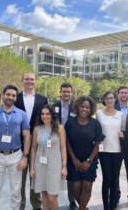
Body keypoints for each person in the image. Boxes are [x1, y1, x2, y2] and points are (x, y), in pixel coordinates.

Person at [0, 85, 31, 209]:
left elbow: (27, 137)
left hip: (16, 155)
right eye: (8, 94)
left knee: (16, 190)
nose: (10, 97)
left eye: (13, 95)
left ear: (16, 98)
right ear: (3, 95)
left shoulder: (22, 114)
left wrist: (25, 157)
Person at [14, 72, 48, 210]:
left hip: (37, 145)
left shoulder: (43, 99)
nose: (29, 81)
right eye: (27, 79)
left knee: (36, 177)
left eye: (32, 79)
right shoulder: (15, 99)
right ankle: (20, 206)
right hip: (18, 144)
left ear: (35, 81)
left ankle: (36, 205)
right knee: (19, 179)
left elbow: (46, 120)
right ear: (22, 81)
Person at [65, 96, 105, 210]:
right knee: (76, 189)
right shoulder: (70, 122)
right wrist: (74, 159)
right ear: (77, 107)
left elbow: (97, 143)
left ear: (91, 109)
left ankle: (81, 208)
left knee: (87, 188)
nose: (85, 109)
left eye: (88, 107)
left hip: (89, 160)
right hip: (74, 161)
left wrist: (89, 161)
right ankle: (83, 208)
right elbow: (67, 142)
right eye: (82, 106)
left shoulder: (95, 123)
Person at [30, 104, 67, 210]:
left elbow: (63, 148)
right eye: (42, 114)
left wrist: (64, 166)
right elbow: (33, 148)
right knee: (44, 194)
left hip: (55, 165)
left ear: (52, 115)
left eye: (47, 114)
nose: (44, 116)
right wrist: (32, 167)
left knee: (52, 197)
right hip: (40, 165)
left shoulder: (60, 128)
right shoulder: (37, 129)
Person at [96, 91, 126, 210]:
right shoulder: (99, 113)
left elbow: (124, 131)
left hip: (117, 151)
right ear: (104, 100)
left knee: (115, 178)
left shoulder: (120, 115)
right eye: (107, 98)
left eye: (111, 98)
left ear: (115, 99)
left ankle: (113, 203)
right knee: (106, 178)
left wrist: (123, 135)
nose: (109, 100)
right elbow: (97, 131)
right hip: (104, 151)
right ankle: (106, 205)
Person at [52, 82, 77, 210]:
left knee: (71, 173)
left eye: (68, 91)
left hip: (72, 144)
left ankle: (72, 200)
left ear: (71, 93)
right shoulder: (53, 107)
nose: (66, 93)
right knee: (55, 171)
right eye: (64, 91)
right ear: (60, 92)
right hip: (56, 144)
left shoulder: (76, 107)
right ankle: (52, 198)